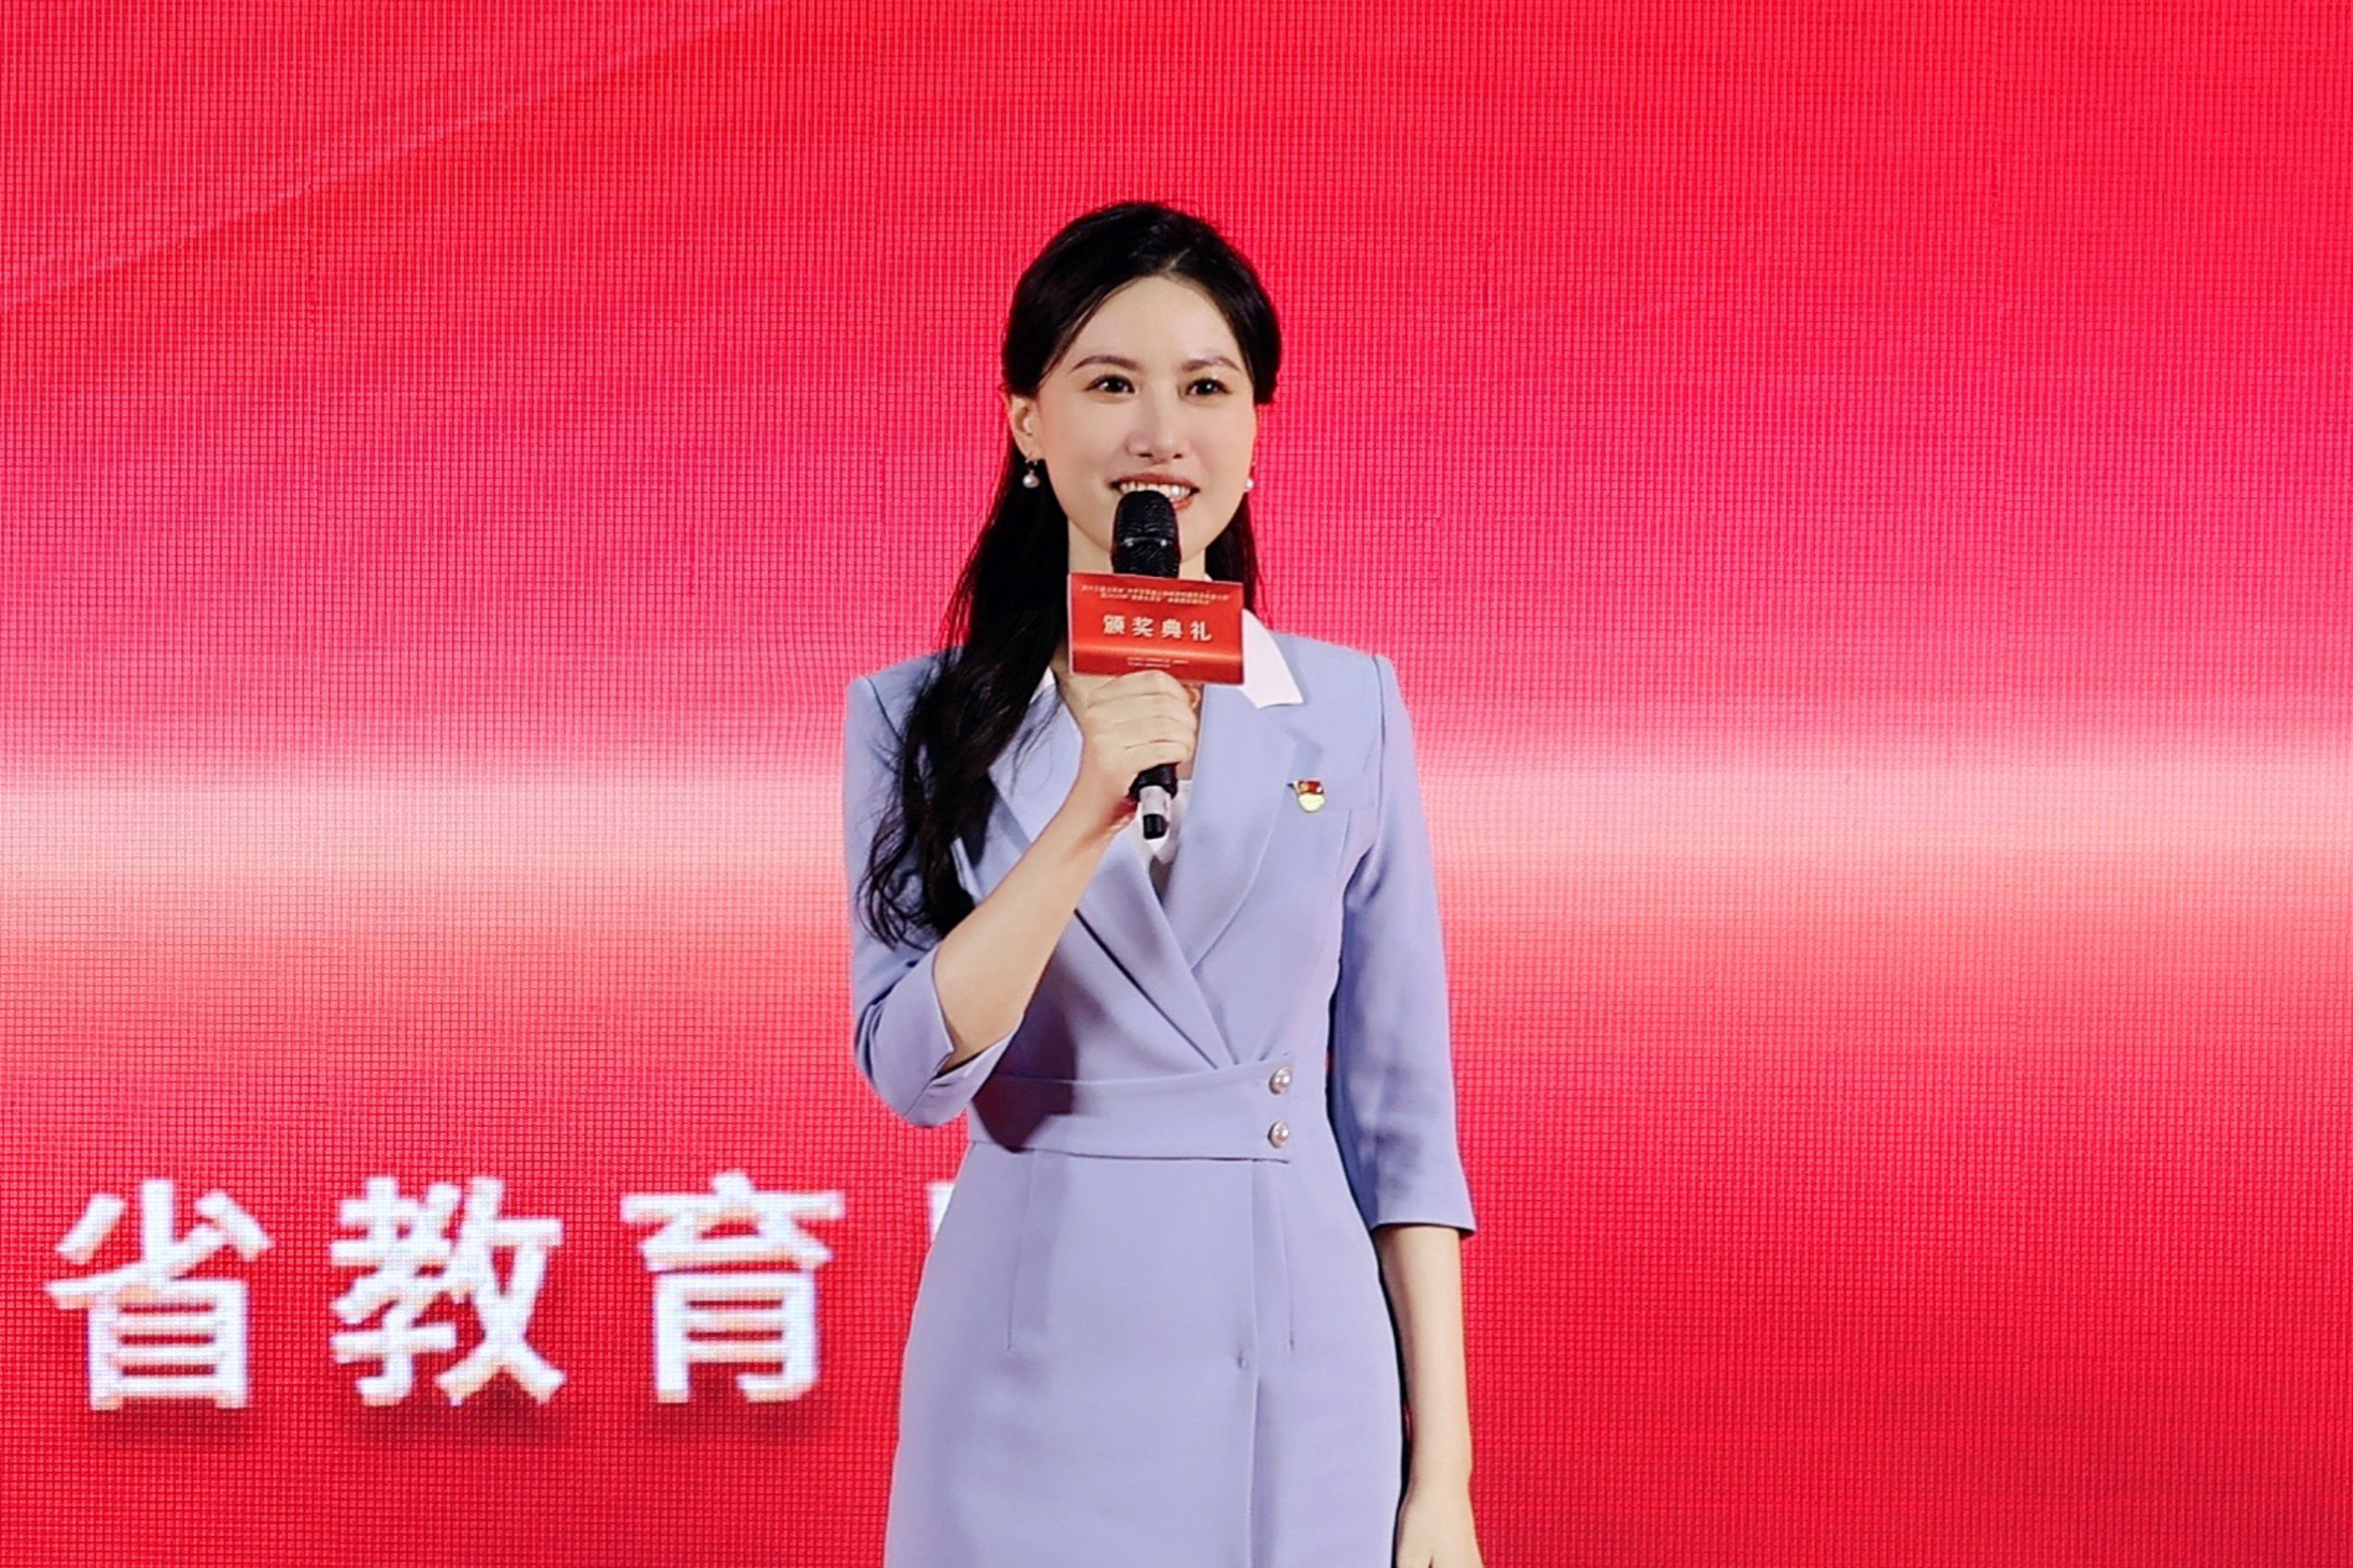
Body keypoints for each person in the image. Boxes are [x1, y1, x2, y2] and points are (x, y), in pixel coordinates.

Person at [844, 201, 1481, 1568]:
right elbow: (910, 1070)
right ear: (1027, 422)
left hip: (1293, 1357)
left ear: (1254, 428)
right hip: (1026, 1366)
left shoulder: (1348, 710)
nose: (1158, 432)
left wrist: (1444, 1475)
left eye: (1203, 388)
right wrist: (1082, 809)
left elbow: (1402, 1121)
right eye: (1107, 384)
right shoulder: (917, 718)